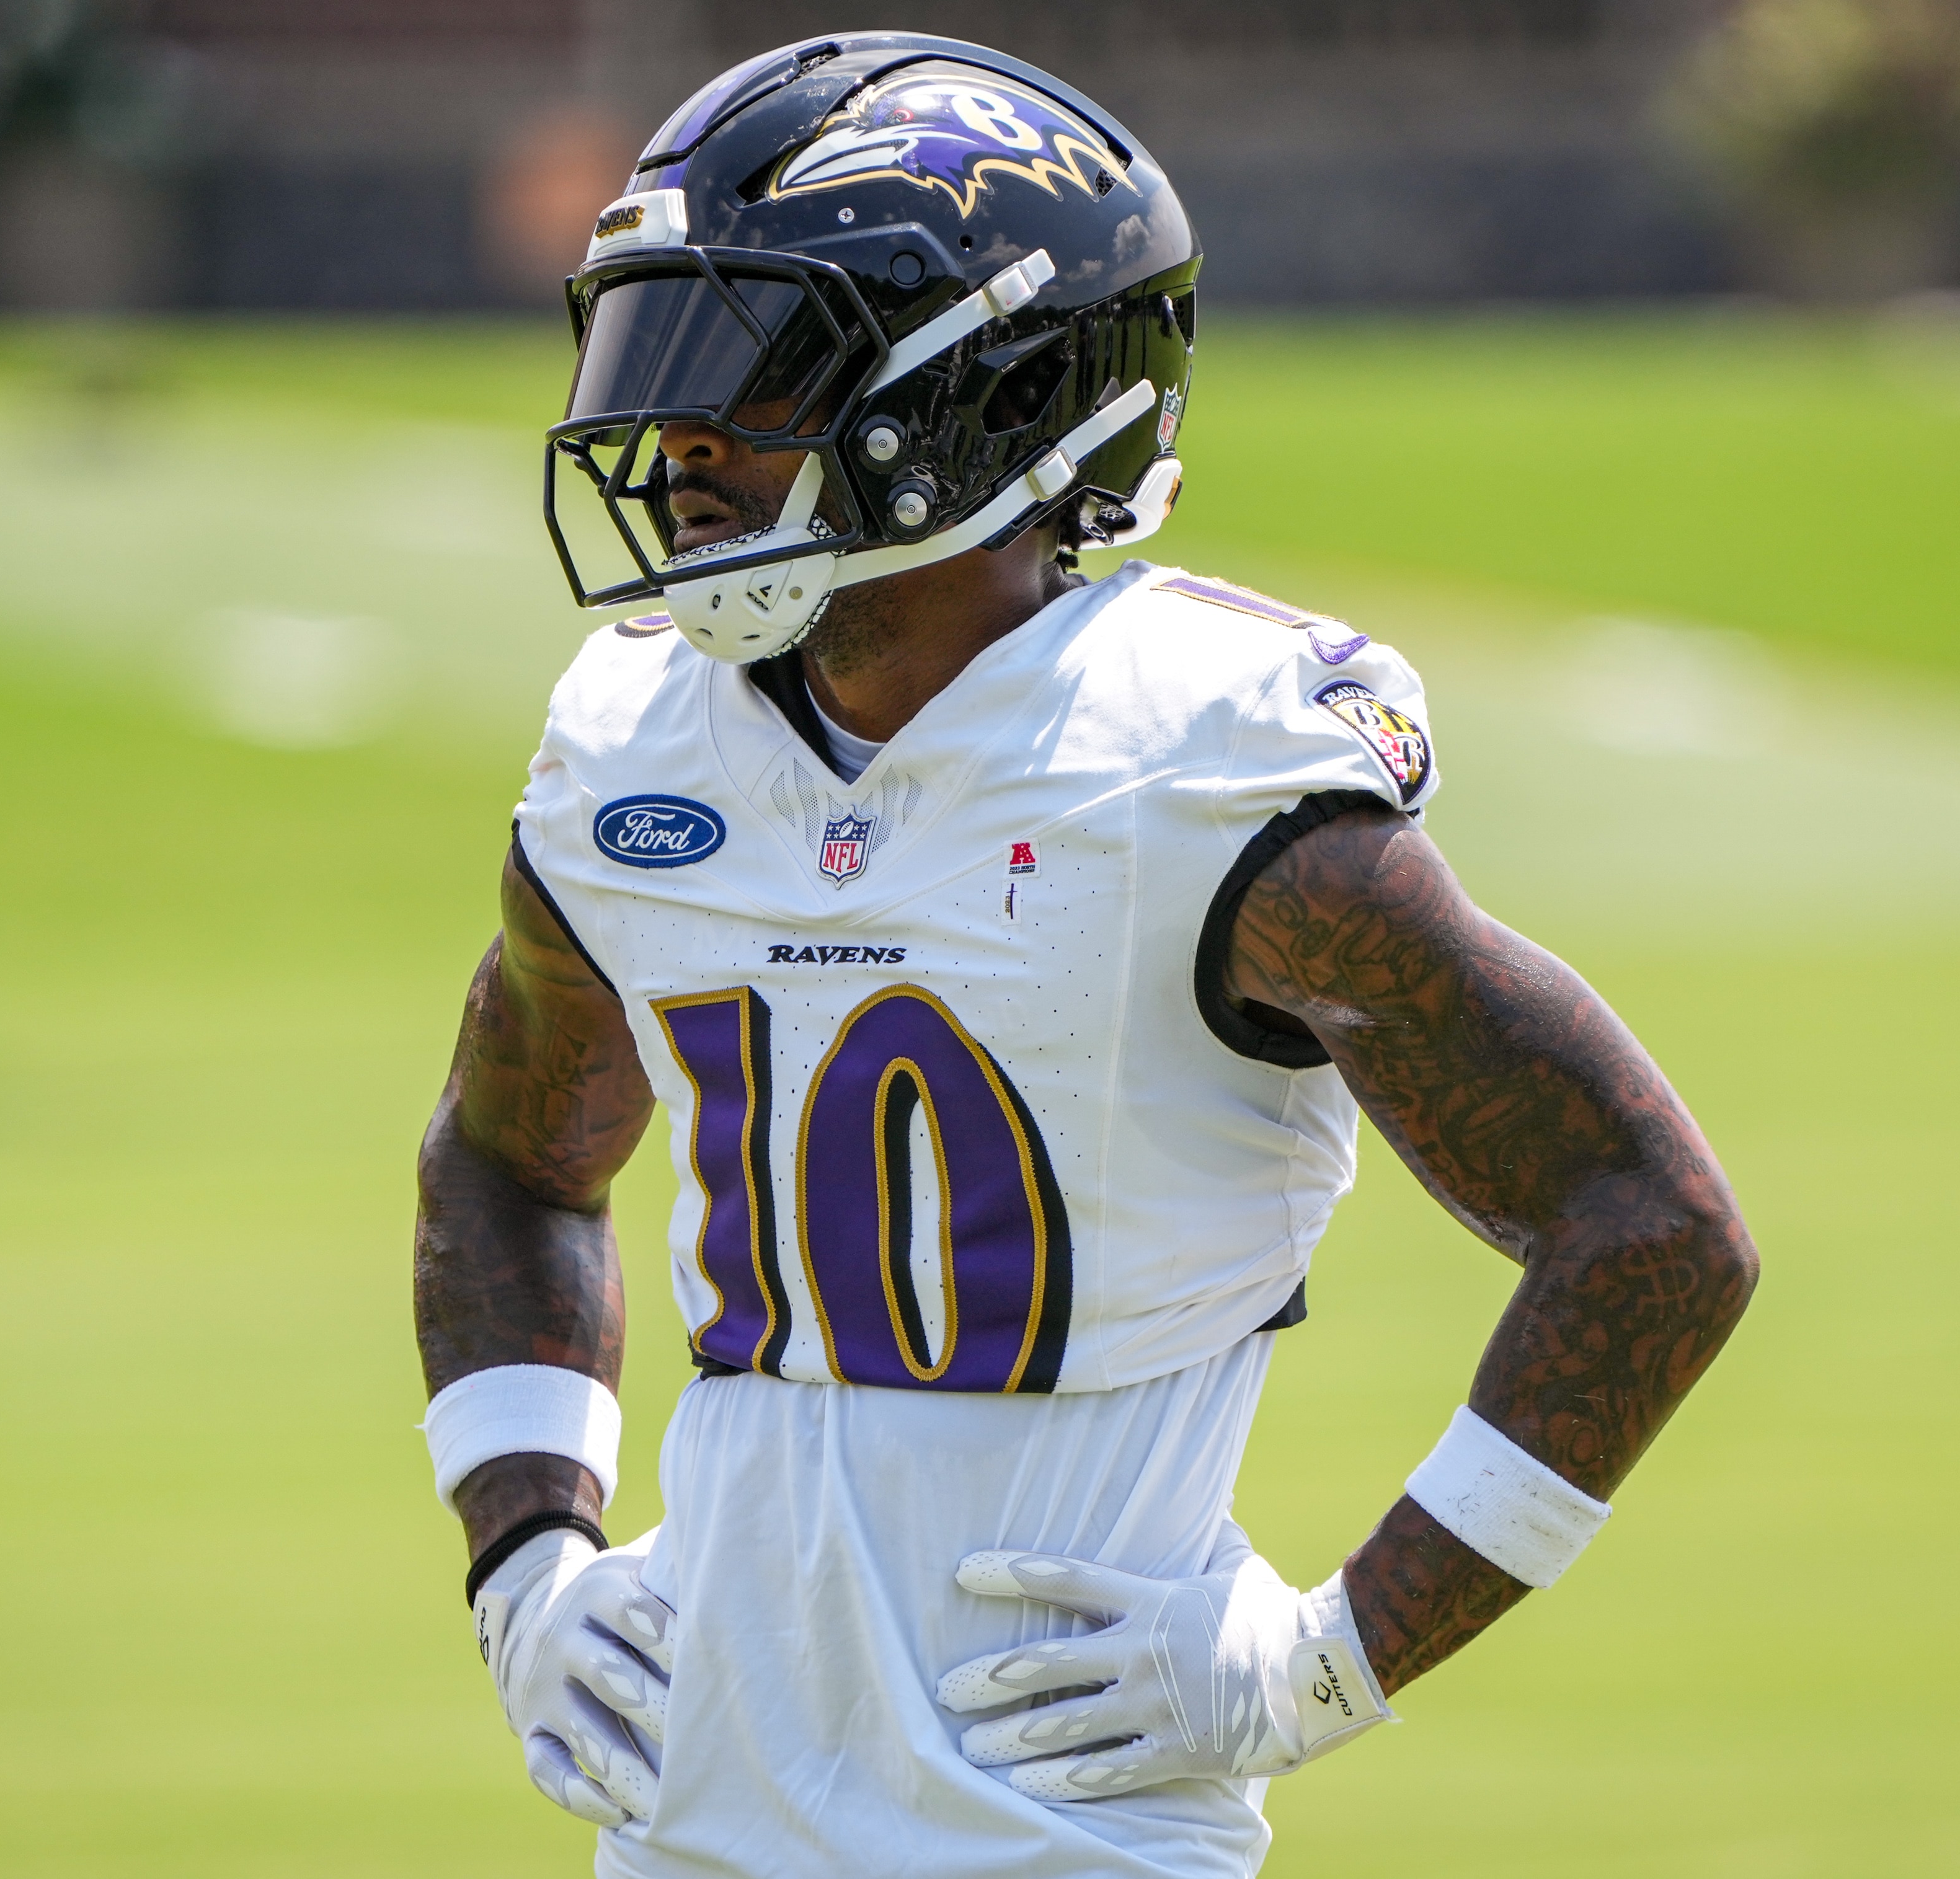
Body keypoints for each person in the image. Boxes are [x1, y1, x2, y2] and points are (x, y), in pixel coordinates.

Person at [412, 33, 1757, 1879]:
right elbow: (507, 1162)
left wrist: (1333, 1660)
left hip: (1075, 1829)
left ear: (986, 395)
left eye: (752, 360)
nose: (680, 440)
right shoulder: (636, 746)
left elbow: (1652, 1226)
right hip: (690, 1814)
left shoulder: (1202, 772)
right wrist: (526, 1554)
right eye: (659, 352)